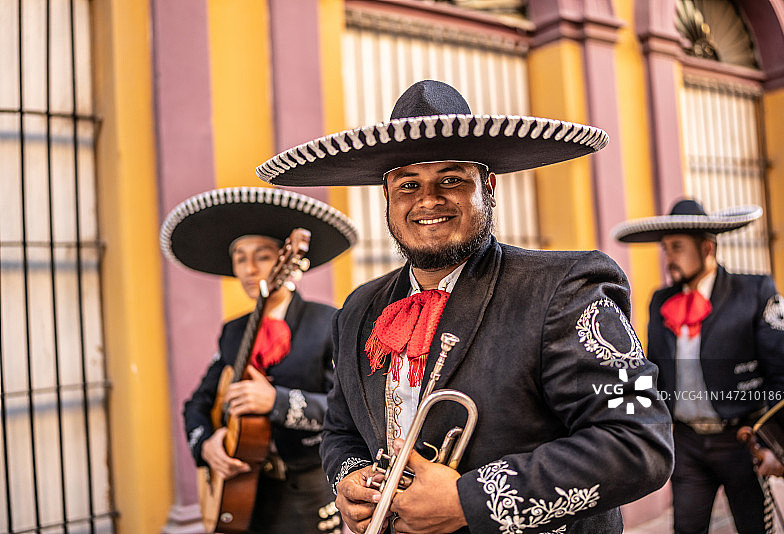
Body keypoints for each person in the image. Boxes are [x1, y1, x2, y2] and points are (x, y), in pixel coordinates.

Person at [256, 80, 674, 534]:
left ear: (488, 187)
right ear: (388, 199)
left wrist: (470, 500)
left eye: (451, 180)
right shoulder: (359, 309)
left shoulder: (567, 286)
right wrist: (348, 477)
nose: (428, 200)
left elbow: (639, 442)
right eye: (408, 184)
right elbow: (341, 432)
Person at [160, 186, 358, 533]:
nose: (249, 268)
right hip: (241, 492)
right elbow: (198, 402)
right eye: (239, 257)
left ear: (290, 264)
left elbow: (347, 411)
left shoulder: (328, 321)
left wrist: (276, 401)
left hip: (306, 493)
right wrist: (206, 444)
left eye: (263, 255)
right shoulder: (234, 331)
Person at [613, 198, 784, 534]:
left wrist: (778, 445)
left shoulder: (755, 292)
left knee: (755, 527)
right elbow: (652, 370)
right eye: (666, 249)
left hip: (743, 441)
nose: (668, 257)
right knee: (686, 528)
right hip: (687, 444)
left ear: (707, 248)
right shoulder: (660, 300)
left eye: (677, 248)